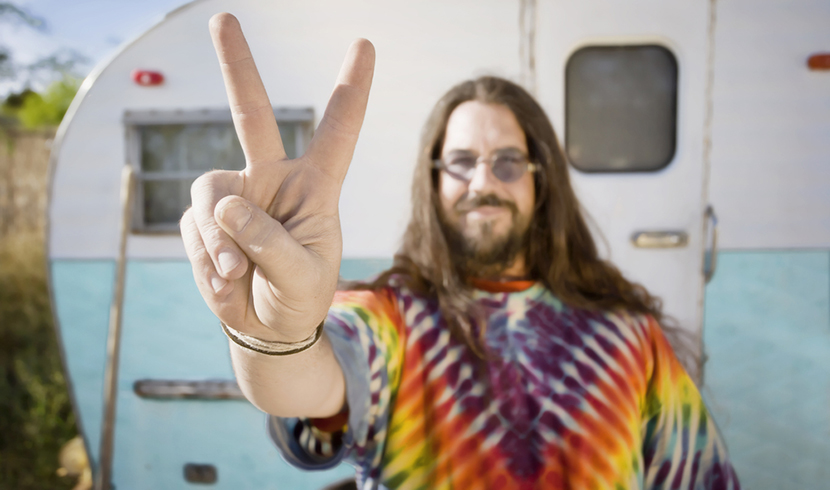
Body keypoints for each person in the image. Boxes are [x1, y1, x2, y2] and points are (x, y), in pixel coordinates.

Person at [181, 13, 740, 490]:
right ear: (435, 180)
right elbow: (308, 386)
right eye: (461, 161)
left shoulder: (630, 338)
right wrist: (277, 338)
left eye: (508, 162)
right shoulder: (390, 319)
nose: (482, 182)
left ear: (540, 180)